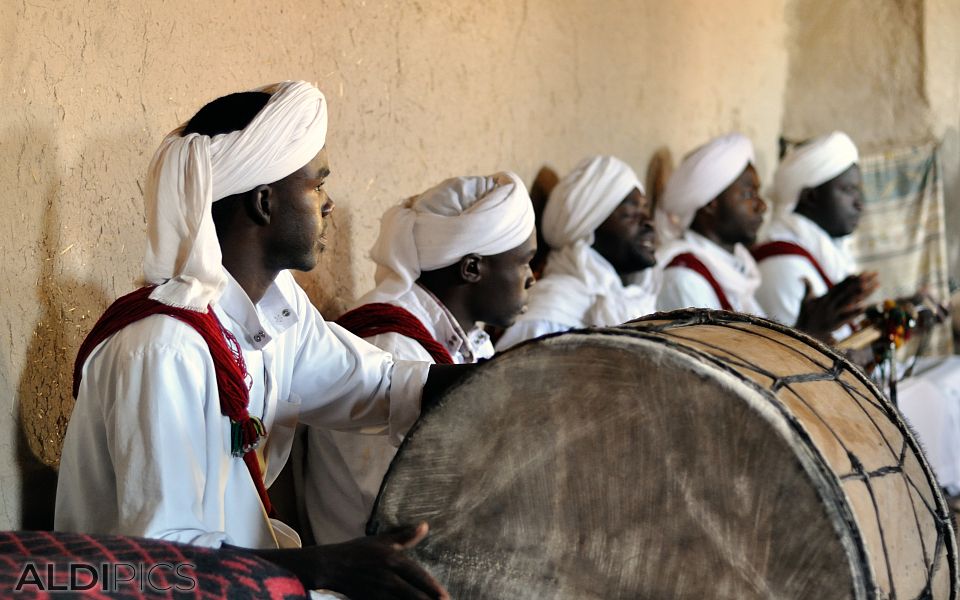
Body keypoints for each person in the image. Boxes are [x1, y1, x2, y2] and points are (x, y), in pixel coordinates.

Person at [55, 81, 450, 599]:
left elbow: (378, 386)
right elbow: (162, 560)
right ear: (263, 202)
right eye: (316, 185)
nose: (328, 204)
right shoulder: (164, 347)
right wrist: (324, 567)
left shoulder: (274, 311)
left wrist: (517, 382)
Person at [300, 173, 536, 544]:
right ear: (472, 268)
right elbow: (408, 511)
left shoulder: (467, 338)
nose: (532, 279)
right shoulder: (388, 346)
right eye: (525, 263)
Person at [755, 131, 960, 495]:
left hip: (857, 377)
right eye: (848, 191)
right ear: (812, 196)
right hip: (824, 401)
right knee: (932, 393)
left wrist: (906, 313)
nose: (860, 203)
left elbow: (852, 335)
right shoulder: (782, 263)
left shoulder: (824, 251)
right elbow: (794, 362)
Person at [655, 133, 874, 341]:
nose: (761, 205)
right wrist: (807, 331)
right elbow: (715, 373)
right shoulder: (684, 279)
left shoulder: (736, 269)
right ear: (711, 203)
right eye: (748, 194)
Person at [495, 155, 656, 350]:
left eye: (646, 209)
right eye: (631, 213)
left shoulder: (635, 299)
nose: (649, 222)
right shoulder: (551, 310)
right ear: (589, 225)